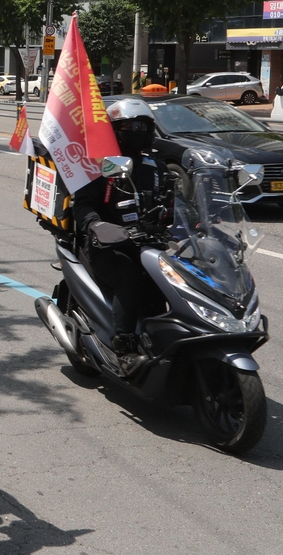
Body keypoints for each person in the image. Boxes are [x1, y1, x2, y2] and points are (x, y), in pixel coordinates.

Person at [72, 98, 169, 372]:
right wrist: (96, 225)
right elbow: (83, 205)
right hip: (108, 247)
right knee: (129, 275)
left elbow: (174, 202)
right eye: (130, 126)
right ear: (114, 131)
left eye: (143, 126)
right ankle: (124, 346)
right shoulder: (101, 167)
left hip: (150, 244)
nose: (138, 131)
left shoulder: (157, 168)